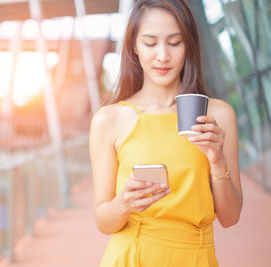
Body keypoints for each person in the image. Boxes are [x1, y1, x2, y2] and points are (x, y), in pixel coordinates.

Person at [89, 0, 243, 266]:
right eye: (150, 43)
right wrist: (123, 203)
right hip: (132, 255)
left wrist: (217, 160)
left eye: (174, 43)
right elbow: (104, 222)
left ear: (189, 46)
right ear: (134, 47)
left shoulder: (218, 115)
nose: (163, 56)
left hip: (197, 256)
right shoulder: (109, 120)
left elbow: (230, 218)